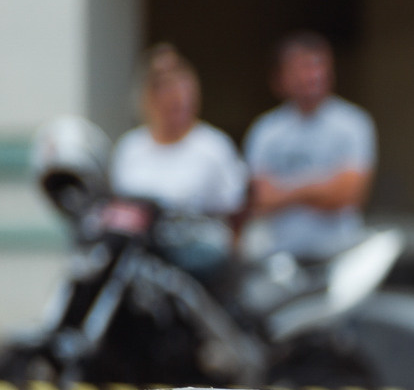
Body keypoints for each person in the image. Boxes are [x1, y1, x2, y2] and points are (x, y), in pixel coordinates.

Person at [109, 45, 246, 279]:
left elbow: (235, 214)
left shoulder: (213, 146)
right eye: (164, 87)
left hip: (197, 267)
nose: (176, 96)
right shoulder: (129, 148)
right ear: (147, 96)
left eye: (182, 86)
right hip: (139, 267)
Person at [244, 32, 376, 260]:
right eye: (302, 68)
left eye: (318, 66)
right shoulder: (265, 130)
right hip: (279, 255)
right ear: (280, 77)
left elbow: (349, 193)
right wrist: (322, 186)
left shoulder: (353, 124)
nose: (311, 76)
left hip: (339, 253)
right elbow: (260, 198)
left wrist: (285, 192)